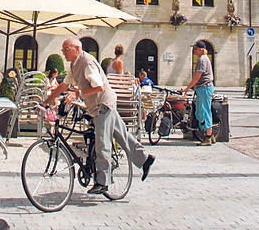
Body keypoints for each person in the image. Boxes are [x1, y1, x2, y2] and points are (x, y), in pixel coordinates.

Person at [44, 37, 155, 194]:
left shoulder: (87, 63)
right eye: (63, 50)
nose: (63, 53)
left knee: (102, 141)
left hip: (102, 104)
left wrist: (77, 93)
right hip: (100, 104)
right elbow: (63, 85)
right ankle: (144, 159)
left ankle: (103, 182)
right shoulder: (74, 64)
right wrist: (47, 100)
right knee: (121, 134)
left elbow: (99, 87)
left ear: (76, 48)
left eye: (66, 49)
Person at [182, 41, 215, 145]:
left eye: (196, 49)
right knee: (200, 112)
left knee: (204, 111)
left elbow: (197, 77)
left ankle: (208, 137)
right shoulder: (204, 59)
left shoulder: (202, 60)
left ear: (201, 49)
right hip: (203, 88)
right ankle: (210, 134)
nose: (194, 50)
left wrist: (187, 88)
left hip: (204, 88)